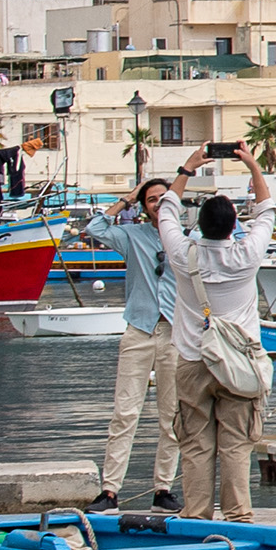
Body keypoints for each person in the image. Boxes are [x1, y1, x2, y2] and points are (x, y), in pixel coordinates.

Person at [155, 152, 272, 522]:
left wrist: (188, 165)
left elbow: (166, 210)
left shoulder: (181, 254)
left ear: (199, 225)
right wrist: (253, 166)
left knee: (195, 446)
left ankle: (197, 518)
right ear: (234, 224)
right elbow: (267, 209)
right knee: (237, 445)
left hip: (192, 360)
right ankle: (239, 519)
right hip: (239, 365)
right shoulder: (248, 254)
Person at [95, 175, 181, 513]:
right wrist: (127, 198)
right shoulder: (132, 237)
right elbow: (96, 228)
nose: (158, 204)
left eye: (163, 198)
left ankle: (163, 489)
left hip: (173, 333)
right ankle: (110, 491)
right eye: (151, 200)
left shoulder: (186, 240)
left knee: (171, 417)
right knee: (124, 413)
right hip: (139, 331)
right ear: (144, 208)